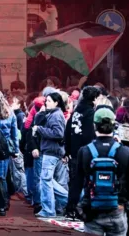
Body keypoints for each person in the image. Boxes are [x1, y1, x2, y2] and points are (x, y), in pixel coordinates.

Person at [72, 108, 129, 236]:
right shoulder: (125, 152)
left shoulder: (84, 151)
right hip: (117, 209)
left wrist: (74, 206)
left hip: (92, 208)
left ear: (94, 125)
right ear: (114, 125)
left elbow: (77, 182)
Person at [65, 86, 101, 218]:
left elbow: (67, 130)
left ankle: (71, 208)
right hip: (86, 152)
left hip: (74, 152)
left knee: (75, 182)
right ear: (95, 98)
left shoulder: (76, 110)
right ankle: (83, 209)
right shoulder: (90, 112)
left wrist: (68, 150)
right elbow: (88, 134)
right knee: (87, 183)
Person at [33, 92, 68, 218]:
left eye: (48, 100)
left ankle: (48, 209)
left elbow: (58, 133)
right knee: (48, 180)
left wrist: (39, 129)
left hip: (51, 152)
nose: (46, 103)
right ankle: (69, 201)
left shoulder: (56, 116)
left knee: (46, 181)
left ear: (56, 102)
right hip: (51, 151)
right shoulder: (54, 114)